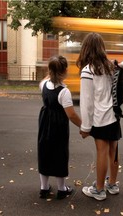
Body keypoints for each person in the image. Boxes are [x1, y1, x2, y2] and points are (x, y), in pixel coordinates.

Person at [77, 32, 122, 201]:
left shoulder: (88, 71)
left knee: (101, 152)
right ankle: (113, 184)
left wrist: (85, 127)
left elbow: (87, 102)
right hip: (114, 115)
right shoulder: (111, 67)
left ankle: (99, 189)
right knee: (114, 151)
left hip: (100, 117)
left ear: (86, 49)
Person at [37, 55, 81, 200]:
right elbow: (71, 115)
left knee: (44, 150)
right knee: (60, 153)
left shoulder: (43, 85)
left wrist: (51, 72)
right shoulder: (64, 92)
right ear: (65, 71)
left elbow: (46, 79)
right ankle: (62, 189)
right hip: (59, 125)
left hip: (44, 122)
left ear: (49, 70)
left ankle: (44, 188)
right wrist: (84, 127)